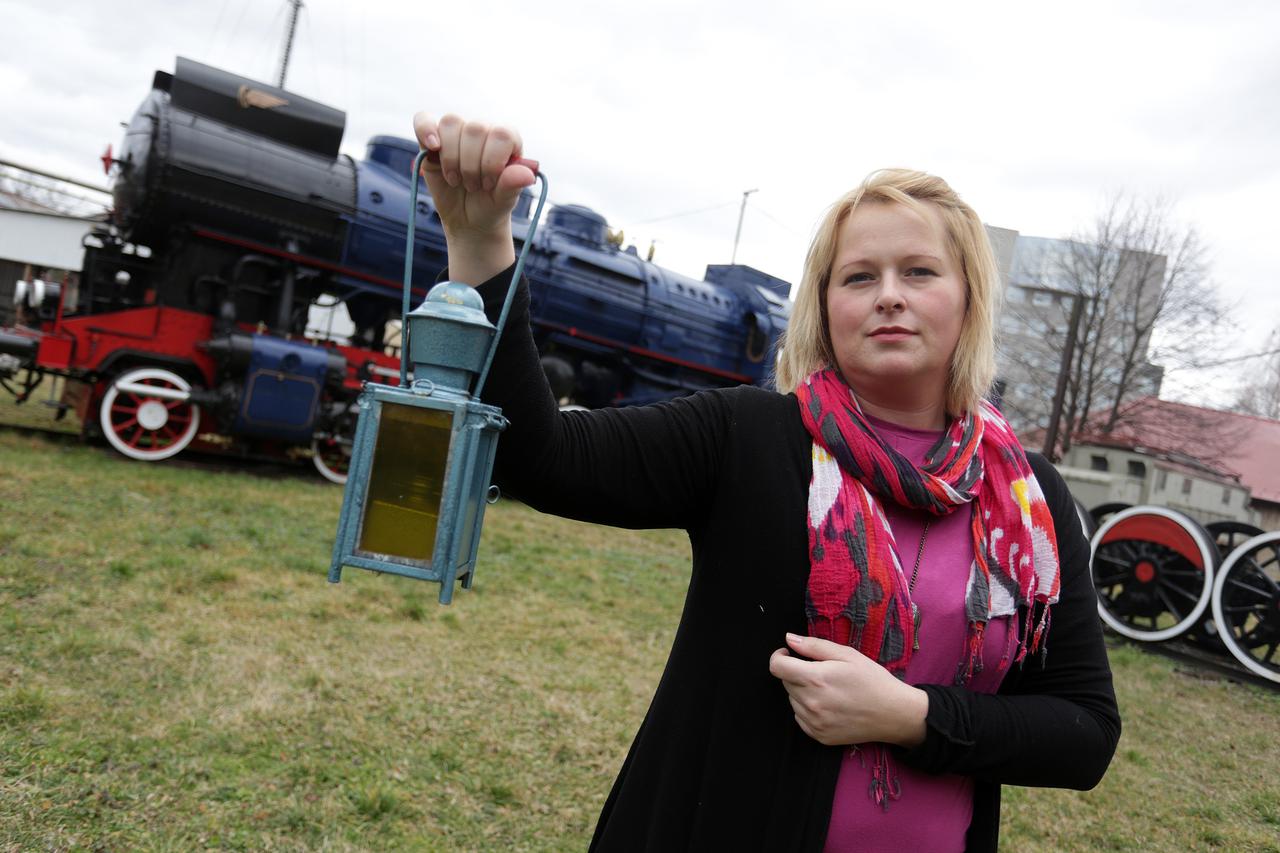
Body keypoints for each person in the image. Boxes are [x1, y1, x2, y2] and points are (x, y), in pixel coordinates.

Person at [411, 112, 1120, 853]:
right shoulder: (748, 437)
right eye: (858, 276)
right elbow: (543, 457)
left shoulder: (1027, 496)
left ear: (968, 298)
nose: (887, 294)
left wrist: (911, 714)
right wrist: (481, 241)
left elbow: (1084, 732)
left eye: (918, 271)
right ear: (823, 307)